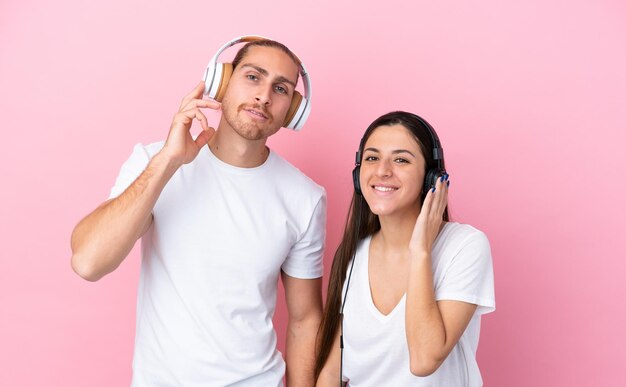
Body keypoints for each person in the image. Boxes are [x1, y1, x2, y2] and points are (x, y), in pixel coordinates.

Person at [70, 37, 326, 387]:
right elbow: (88, 262)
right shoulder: (152, 162)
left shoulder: (306, 198)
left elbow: (305, 320)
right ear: (220, 81)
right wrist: (169, 162)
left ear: (292, 110)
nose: (264, 96)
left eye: (280, 88)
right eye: (253, 77)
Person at [315, 111, 495, 386]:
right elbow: (331, 373)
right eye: (372, 158)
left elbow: (424, 360)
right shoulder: (353, 254)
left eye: (400, 159)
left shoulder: (465, 246)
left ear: (430, 177)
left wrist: (420, 250)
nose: (382, 171)